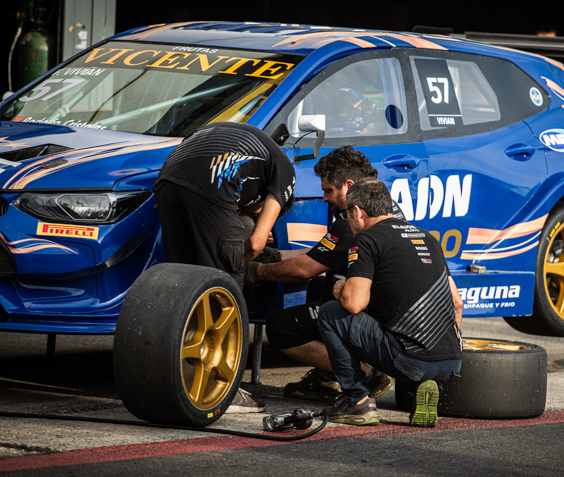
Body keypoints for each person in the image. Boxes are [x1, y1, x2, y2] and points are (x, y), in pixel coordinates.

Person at [154, 121, 296, 411]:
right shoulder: (285, 172)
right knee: (224, 292)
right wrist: (237, 262)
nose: (248, 214)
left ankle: (181, 377)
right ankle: (224, 387)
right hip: (212, 186)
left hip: (167, 180)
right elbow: (257, 242)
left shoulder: (247, 142)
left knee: (185, 287)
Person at [248, 146, 403, 403]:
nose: (324, 198)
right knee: (319, 288)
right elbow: (326, 253)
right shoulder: (382, 207)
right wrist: (277, 255)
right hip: (384, 308)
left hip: (366, 311)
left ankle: (364, 373)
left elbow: (304, 269)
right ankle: (324, 380)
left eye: (328, 190)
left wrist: (258, 271)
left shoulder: (351, 219)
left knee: (280, 327)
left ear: (348, 185)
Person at [317, 179, 463, 426]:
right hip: (451, 361)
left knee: (331, 313)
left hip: (409, 361)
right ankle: (430, 383)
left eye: (347, 214)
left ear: (358, 211)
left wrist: (341, 287)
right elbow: (457, 303)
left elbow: (353, 304)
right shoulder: (428, 239)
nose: (347, 220)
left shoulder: (365, 239)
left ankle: (358, 402)